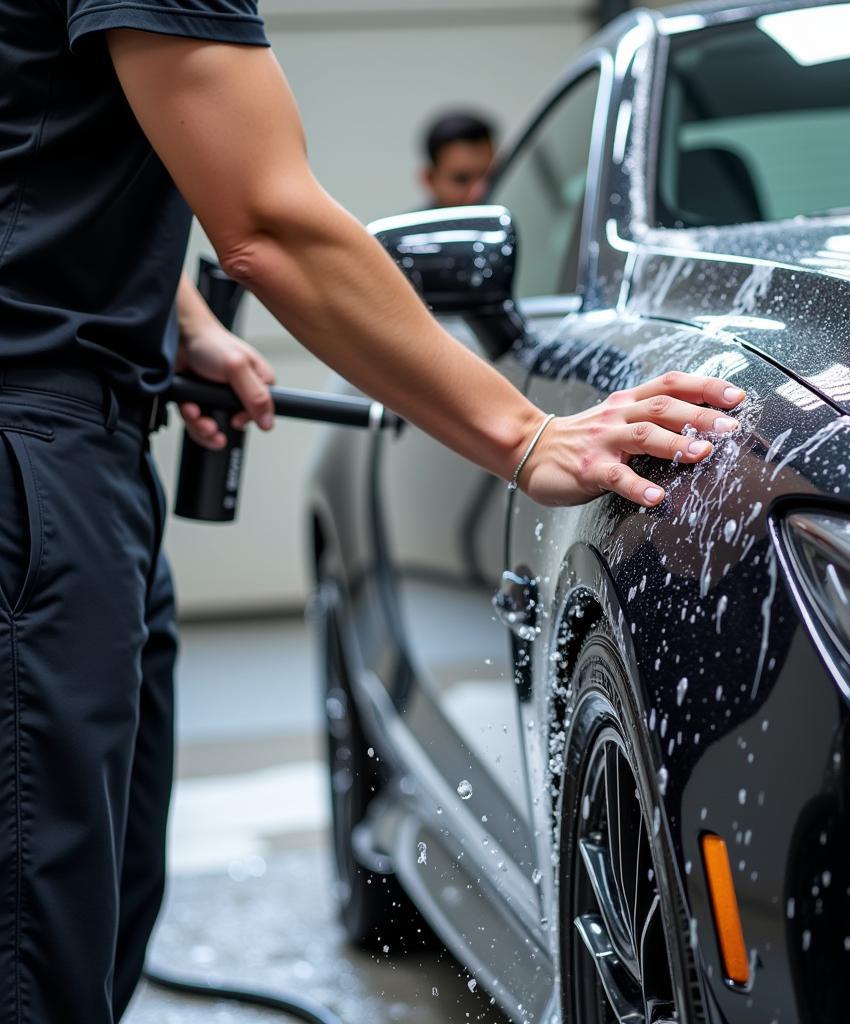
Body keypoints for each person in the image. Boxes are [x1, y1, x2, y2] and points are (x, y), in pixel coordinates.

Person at [0, 2, 746, 1021]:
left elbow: (53, 149)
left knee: (98, 901)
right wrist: (529, 436)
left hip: (86, 438)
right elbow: (264, 222)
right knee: (35, 938)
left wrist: (177, 321)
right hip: (35, 458)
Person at [421, 110, 496, 208]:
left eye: (490, 176)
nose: (479, 192)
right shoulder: (411, 222)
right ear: (430, 180)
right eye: (462, 179)